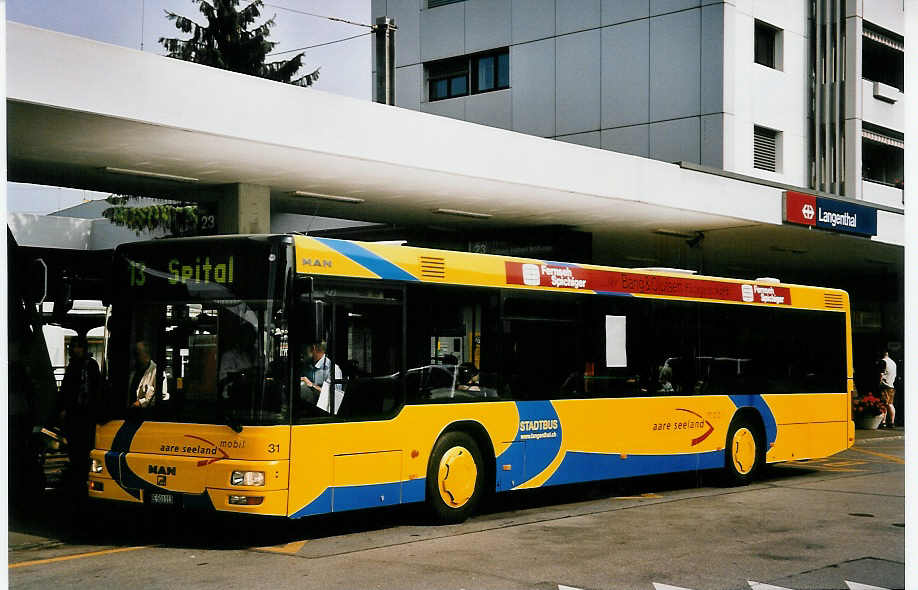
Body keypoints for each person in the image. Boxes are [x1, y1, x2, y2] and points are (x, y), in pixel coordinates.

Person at [59, 336, 101, 483]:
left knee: (82, 446)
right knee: (77, 446)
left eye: (79, 346)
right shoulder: (77, 366)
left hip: (85, 413)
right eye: (74, 346)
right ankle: (79, 472)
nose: (76, 350)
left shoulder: (87, 366)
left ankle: (81, 473)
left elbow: (95, 389)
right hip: (76, 413)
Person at [303, 341, 344, 414]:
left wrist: (311, 385)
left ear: (313, 348)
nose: (303, 351)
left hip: (323, 415)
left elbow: (335, 398)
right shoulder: (306, 365)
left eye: (305, 347)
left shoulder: (333, 369)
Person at [130, 340, 157, 408]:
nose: (135, 357)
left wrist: (140, 402)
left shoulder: (156, 371)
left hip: (145, 413)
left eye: (138, 354)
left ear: (146, 354)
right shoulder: (135, 369)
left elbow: (162, 395)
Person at [879, 350, 897, 428]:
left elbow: (881, 374)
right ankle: (892, 422)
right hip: (891, 385)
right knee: (890, 404)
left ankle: (883, 422)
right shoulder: (893, 363)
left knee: (885, 404)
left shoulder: (883, 361)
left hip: (884, 385)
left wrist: (879, 382)